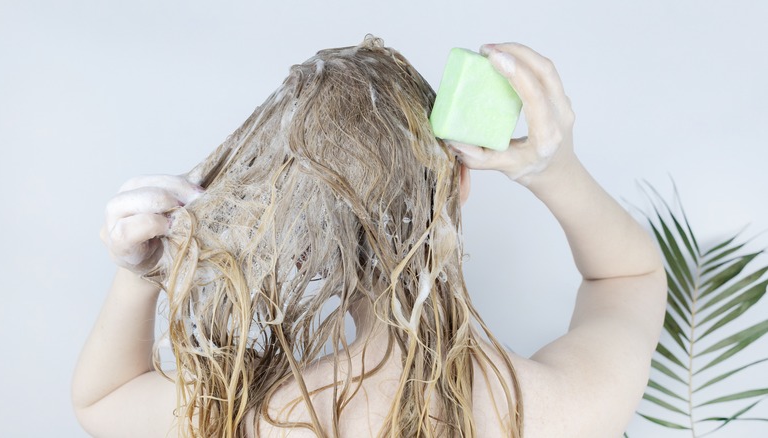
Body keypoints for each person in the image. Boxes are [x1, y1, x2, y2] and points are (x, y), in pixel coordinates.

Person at [72, 36, 667, 438]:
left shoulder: (263, 418)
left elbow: (101, 400)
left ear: (299, 238)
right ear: (460, 182)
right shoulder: (560, 408)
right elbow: (629, 277)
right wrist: (555, 171)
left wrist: (140, 276)